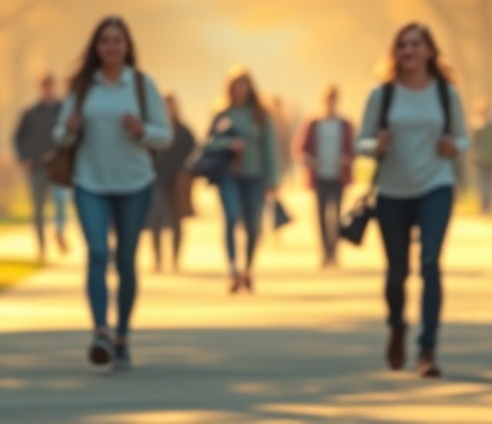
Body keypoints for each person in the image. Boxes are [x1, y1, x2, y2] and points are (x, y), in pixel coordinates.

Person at [54, 16, 171, 370]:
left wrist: (141, 130)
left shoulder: (140, 85)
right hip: (90, 182)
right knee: (97, 252)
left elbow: (164, 136)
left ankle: (122, 336)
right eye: (104, 40)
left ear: (127, 46)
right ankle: (100, 332)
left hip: (134, 184)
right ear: (96, 46)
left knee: (125, 261)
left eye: (117, 40)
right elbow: (60, 136)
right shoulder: (82, 88)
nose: (111, 46)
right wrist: (69, 130)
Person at [357, 23, 468, 379]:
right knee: (397, 273)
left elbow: (465, 139)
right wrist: (377, 146)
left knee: (431, 262)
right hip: (393, 191)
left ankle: (427, 349)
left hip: (436, 184)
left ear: (430, 51)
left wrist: (454, 147)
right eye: (402, 45)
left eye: (416, 45)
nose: (409, 51)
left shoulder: (446, 93)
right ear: (395, 52)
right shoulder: (382, 95)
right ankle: (397, 326)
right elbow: (361, 140)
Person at [206, 68, 279, 295]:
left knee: (252, 224)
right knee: (229, 217)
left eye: (244, 85)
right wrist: (228, 144)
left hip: (254, 176)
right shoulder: (222, 114)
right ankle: (232, 269)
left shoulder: (259, 115)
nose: (240, 90)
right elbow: (207, 144)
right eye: (236, 86)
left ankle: (248, 268)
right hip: (228, 175)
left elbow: (269, 148)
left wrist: (272, 178)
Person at [295, 84, 356, 269]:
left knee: (337, 215)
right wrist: (308, 160)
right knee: (321, 216)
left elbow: (354, 148)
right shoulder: (314, 123)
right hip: (319, 175)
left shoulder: (345, 124)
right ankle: (324, 252)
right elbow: (300, 148)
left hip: (338, 176)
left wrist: (347, 159)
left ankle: (334, 251)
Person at [13, 73, 69, 265]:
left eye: (50, 85)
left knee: (61, 202)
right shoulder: (30, 113)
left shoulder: (63, 111)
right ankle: (41, 246)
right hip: (37, 166)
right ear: (40, 88)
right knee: (38, 209)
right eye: (44, 86)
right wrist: (24, 158)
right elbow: (18, 138)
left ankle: (59, 232)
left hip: (58, 167)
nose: (47, 89)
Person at [147, 94, 197, 273]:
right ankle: (157, 259)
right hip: (156, 180)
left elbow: (195, 153)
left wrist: (187, 171)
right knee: (155, 221)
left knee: (176, 221)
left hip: (177, 182)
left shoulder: (184, 132)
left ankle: (175, 259)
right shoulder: (152, 130)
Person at [469, 101, 492, 218]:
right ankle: (485, 207)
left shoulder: (489, 126)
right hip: (482, 160)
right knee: (485, 185)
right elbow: (473, 144)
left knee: (488, 184)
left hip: (488, 159)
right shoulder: (478, 126)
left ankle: (487, 207)